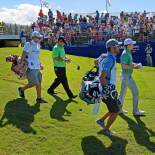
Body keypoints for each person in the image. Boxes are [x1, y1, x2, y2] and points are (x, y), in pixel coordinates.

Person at [96, 39, 122, 135]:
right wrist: (105, 90)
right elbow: (102, 76)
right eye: (117, 46)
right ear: (112, 48)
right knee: (115, 111)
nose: (119, 48)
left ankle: (101, 120)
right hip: (107, 90)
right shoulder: (110, 59)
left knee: (116, 107)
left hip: (108, 89)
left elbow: (96, 62)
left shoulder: (106, 56)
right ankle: (106, 129)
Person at [18, 31, 47, 104]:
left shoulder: (38, 45)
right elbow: (23, 54)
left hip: (37, 67)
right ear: (33, 37)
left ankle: (39, 98)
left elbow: (37, 57)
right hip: (30, 67)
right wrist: (21, 65)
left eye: (40, 37)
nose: (39, 38)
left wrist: (40, 64)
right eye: (38, 37)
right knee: (33, 83)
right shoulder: (28, 44)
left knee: (39, 82)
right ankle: (22, 89)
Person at [119, 38, 145, 116]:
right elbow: (124, 66)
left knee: (122, 93)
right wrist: (135, 67)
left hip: (125, 75)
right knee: (135, 92)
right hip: (126, 76)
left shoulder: (128, 52)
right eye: (132, 44)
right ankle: (135, 111)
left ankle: (119, 109)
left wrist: (136, 64)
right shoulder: (125, 54)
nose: (133, 45)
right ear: (128, 45)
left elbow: (129, 63)